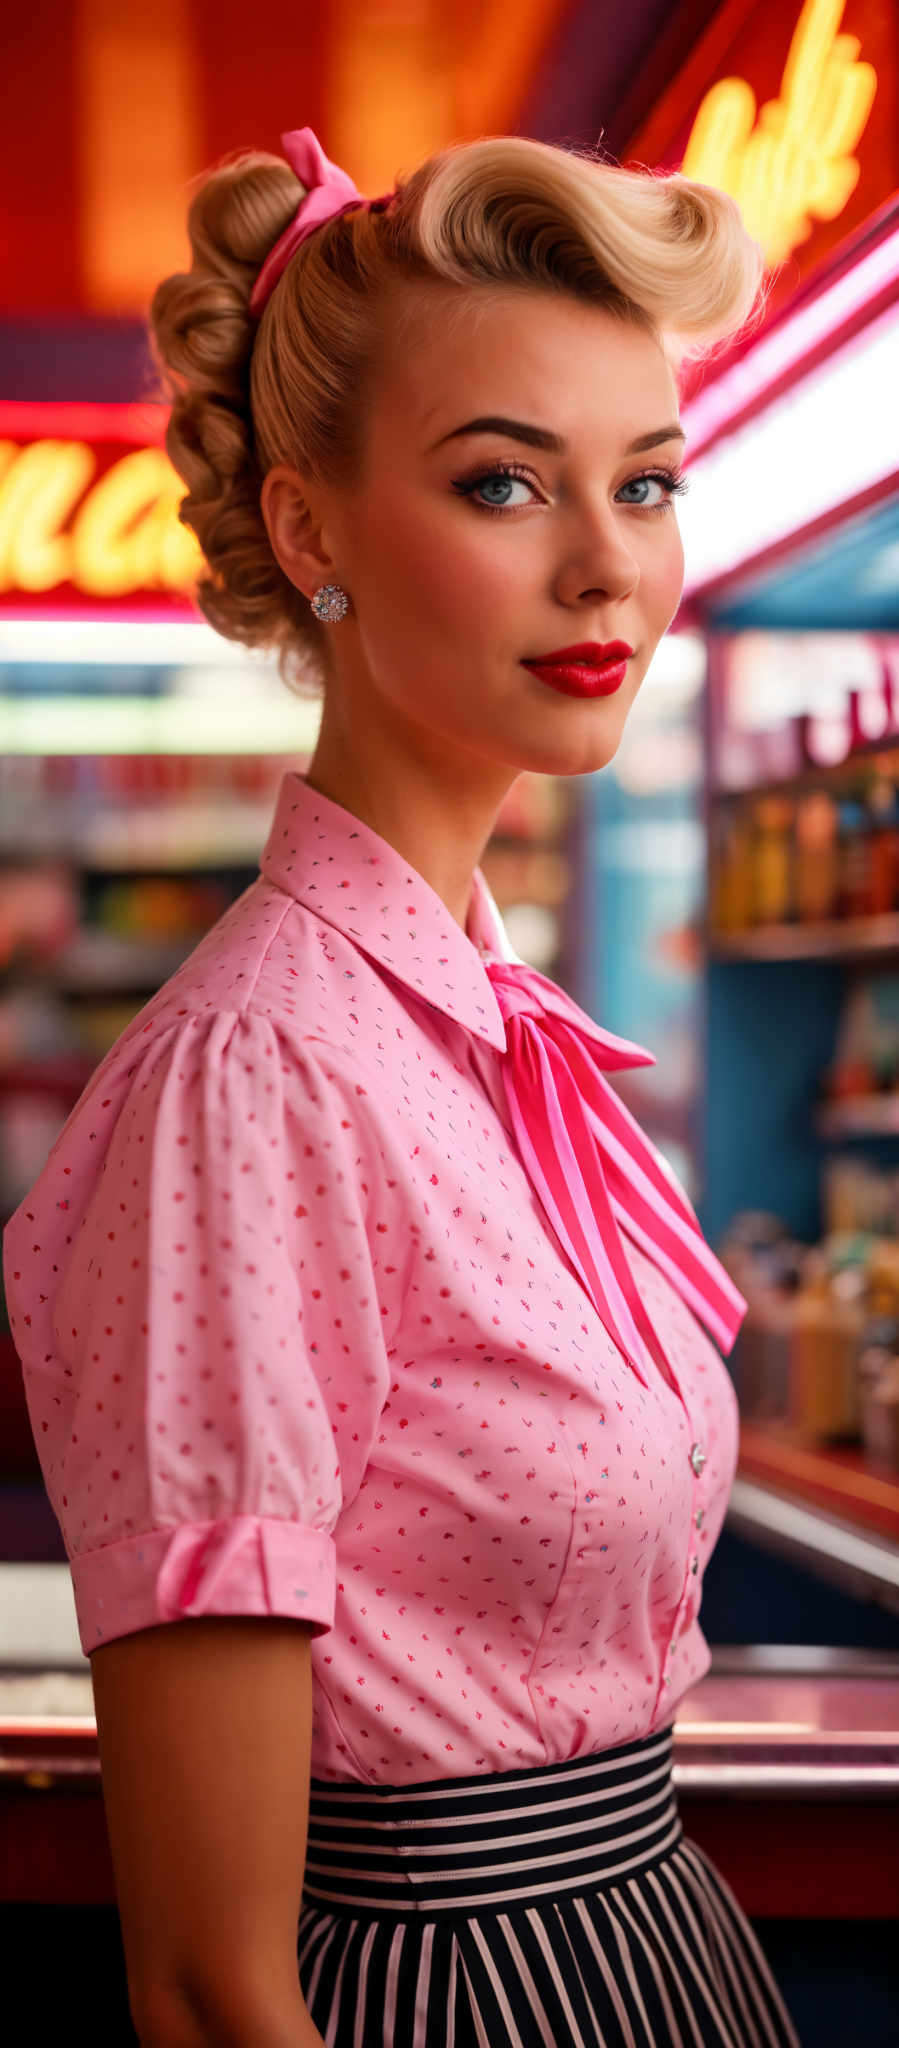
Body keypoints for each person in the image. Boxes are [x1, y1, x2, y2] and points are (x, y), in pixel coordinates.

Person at [1, 124, 801, 2048]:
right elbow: (205, 1982)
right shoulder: (254, 1077)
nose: (611, 562)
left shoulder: (484, 1021)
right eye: (506, 481)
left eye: (651, 480)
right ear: (312, 528)